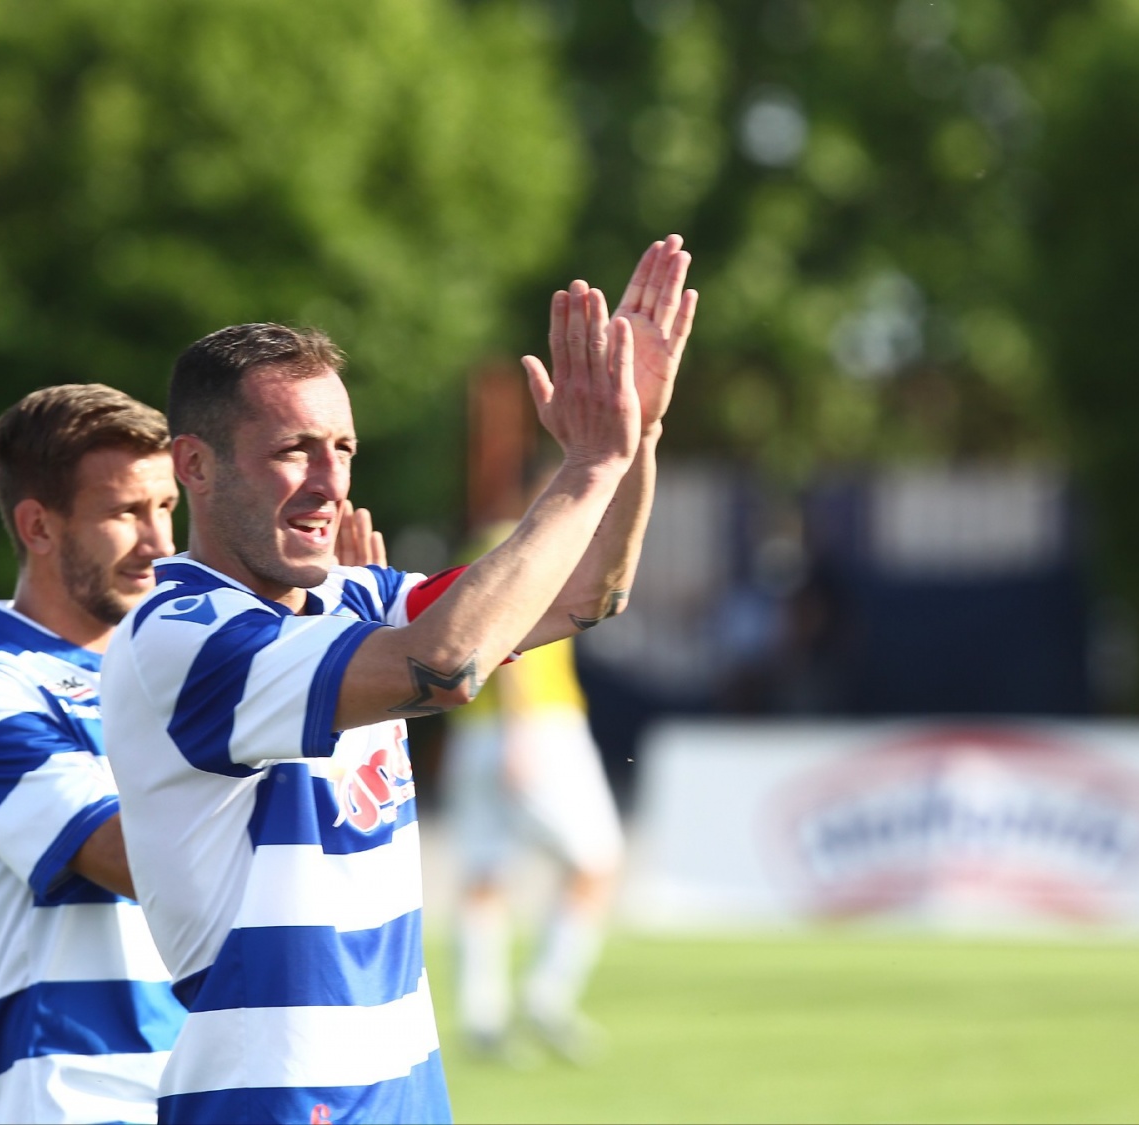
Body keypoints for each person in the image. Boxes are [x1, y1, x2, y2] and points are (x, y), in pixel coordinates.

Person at [103, 237, 695, 1124]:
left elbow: (587, 593)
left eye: (342, 447)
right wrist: (586, 468)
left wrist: (635, 435)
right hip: (279, 1096)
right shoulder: (183, 633)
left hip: (402, 1087)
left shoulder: (356, 597)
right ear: (194, 464)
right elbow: (444, 661)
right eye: (293, 450)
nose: (330, 482)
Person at [0, 385, 190, 1123]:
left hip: (213, 1086)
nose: (159, 542)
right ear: (37, 524)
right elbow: (135, 860)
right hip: (81, 1098)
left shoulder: (177, 671)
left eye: (166, 506)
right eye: (126, 512)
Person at [445, 487, 625, 1064]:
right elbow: (513, 637)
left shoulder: (481, 542)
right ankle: (549, 994)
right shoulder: (534, 540)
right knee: (596, 862)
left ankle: (483, 1016)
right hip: (537, 727)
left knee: (485, 873)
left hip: (474, 728)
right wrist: (521, 727)